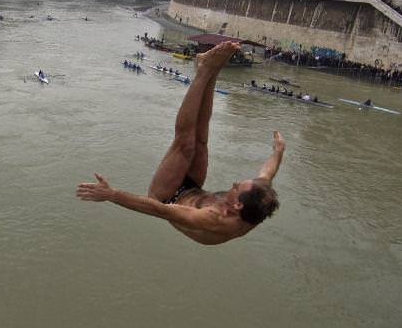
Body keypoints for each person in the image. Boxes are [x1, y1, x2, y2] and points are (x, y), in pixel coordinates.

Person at [77, 42, 283, 246]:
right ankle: (212, 68)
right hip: (194, 188)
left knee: (185, 143)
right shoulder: (259, 197)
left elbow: (160, 210)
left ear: (237, 205)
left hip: (166, 197)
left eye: (238, 188)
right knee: (201, 139)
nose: (235, 184)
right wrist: (278, 151)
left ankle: (204, 70)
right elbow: (267, 173)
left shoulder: (213, 219)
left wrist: (111, 194)